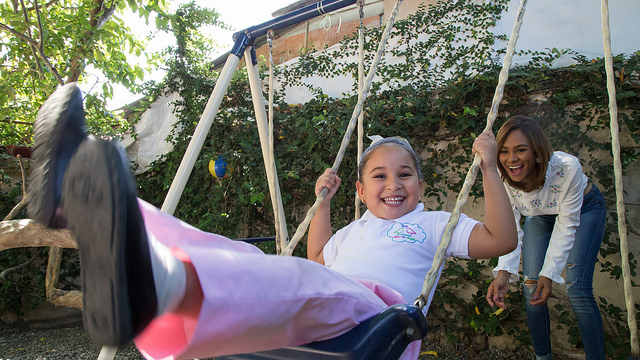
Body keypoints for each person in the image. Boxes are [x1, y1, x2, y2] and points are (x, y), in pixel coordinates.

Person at [28, 83, 517, 360]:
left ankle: (159, 285)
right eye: (380, 176)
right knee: (240, 255)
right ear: (360, 190)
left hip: (380, 319)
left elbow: (500, 239)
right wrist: (322, 203)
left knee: (307, 280)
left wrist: (490, 168)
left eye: (405, 174)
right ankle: (77, 197)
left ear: (422, 187)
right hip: (330, 300)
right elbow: (320, 257)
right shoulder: (353, 231)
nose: (394, 184)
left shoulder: (433, 224)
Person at [485, 115, 607, 360]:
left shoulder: (567, 168)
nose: (512, 159)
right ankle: (543, 357)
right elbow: (510, 226)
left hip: (583, 209)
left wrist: (549, 273)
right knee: (531, 288)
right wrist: (504, 273)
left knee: (577, 289)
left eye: (521, 150)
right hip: (540, 214)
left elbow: (567, 223)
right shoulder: (500, 174)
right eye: (505, 151)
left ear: (538, 153)